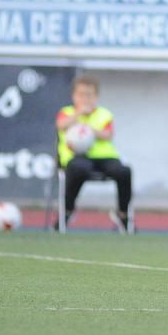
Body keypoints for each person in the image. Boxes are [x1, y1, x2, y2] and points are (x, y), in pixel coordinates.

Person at [56, 74, 133, 233]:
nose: (86, 99)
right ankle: (68, 211)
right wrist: (79, 114)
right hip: (76, 157)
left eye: (89, 95)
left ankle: (123, 214)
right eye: (81, 95)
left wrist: (90, 131)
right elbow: (61, 125)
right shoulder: (67, 112)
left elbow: (108, 134)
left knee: (124, 172)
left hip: (104, 157)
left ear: (96, 97)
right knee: (78, 169)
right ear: (74, 96)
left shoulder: (104, 114)